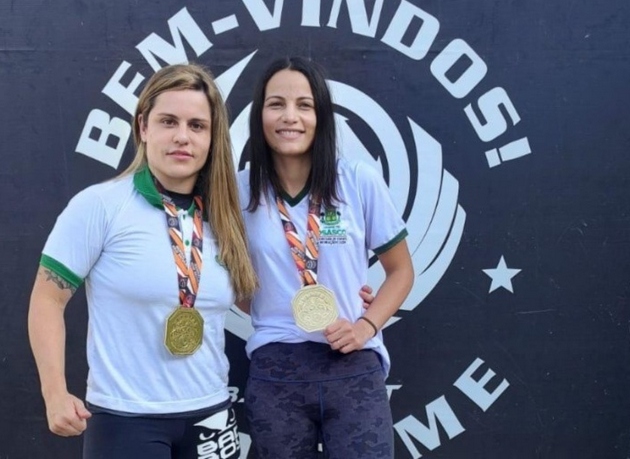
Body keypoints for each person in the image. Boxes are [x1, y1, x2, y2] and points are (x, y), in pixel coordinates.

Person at [27, 63, 257, 458]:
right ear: (143, 127)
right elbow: (47, 300)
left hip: (211, 414)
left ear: (212, 138)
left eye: (197, 126)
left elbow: (254, 301)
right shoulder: (100, 206)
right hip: (126, 419)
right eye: (168, 121)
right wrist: (55, 393)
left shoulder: (225, 217)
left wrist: (351, 307)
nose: (182, 136)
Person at [238, 57, 414, 458]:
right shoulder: (238, 189)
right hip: (276, 368)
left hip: (351, 361)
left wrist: (366, 325)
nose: (290, 117)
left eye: (304, 105)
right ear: (259, 114)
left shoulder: (357, 179)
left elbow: (401, 271)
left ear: (321, 116)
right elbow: (231, 282)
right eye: (276, 104)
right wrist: (274, 302)